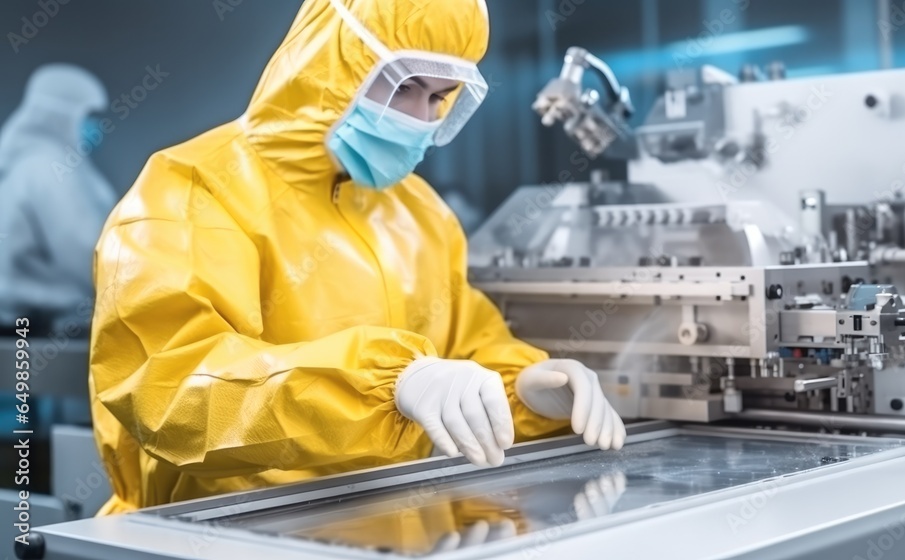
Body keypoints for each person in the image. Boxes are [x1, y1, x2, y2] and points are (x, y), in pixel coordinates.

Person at [89, 0, 626, 515]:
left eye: (438, 99)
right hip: (212, 529)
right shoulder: (192, 190)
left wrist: (522, 389)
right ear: (332, 59)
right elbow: (169, 391)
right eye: (405, 87)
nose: (420, 118)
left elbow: (463, 349)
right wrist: (384, 384)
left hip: (385, 525)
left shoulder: (421, 214)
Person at [0, 64, 116, 335]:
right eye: (90, 115)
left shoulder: (30, 160)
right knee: (25, 378)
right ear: (62, 113)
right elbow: (82, 248)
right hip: (32, 326)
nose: (97, 125)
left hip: (25, 322)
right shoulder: (48, 165)